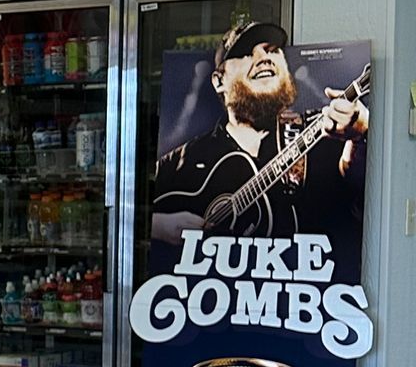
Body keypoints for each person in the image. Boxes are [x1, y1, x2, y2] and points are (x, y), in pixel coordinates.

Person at [150, 25, 367, 242]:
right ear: (219, 81)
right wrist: (158, 226)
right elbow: (136, 216)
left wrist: (359, 137)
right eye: (246, 52)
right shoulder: (179, 163)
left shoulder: (325, 130)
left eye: (272, 50)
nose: (263, 57)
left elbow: (356, 192)